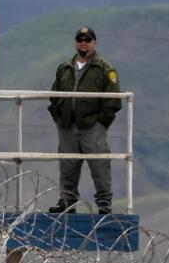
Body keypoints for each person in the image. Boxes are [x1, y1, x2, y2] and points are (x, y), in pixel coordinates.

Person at [47, 25, 122, 215]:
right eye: (80, 40)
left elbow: (113, 99)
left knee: (99, 164)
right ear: (75, 43)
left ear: (94, 43)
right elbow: (54, 95)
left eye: (87, 40)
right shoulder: (64, 68)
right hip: (67, 125)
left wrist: (101, 122)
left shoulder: (104, 68)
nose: (83, 44)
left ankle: (104, 203)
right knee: (67, 164)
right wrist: (58, 116)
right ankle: (67, 201)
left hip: (92, 126)